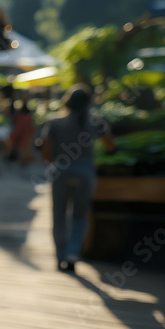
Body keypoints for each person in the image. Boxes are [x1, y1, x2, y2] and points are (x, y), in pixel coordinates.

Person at [41, 84, 116, 273]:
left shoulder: (55, 122)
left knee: (59, 216)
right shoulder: (96, 122)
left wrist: (58, 162)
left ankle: (60, 257)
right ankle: (73, 253)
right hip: (85, 173)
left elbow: (46, 153)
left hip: (61, 172)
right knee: (80, 216)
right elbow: (110, 146)